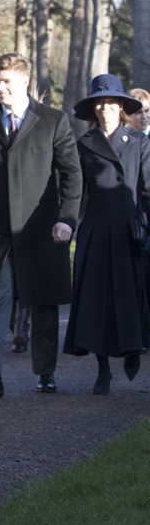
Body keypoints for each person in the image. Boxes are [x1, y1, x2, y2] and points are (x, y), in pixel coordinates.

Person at [0, 53, 82, 396]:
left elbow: (72, 174)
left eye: (6, 82)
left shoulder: (53, 121)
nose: (0, 88)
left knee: (44, 303)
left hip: (42, 227)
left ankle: (45, 373)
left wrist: (67, 219)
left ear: (24, 82)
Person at [63, 74, 150, 394]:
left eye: (111, 101)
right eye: (100, 102)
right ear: (93, 108)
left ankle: (131, 349)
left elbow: (148, 189)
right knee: (95, 299)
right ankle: (102, 368)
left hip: (130, 228)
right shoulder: (84, 144)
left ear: (121, 106)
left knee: (131, 295)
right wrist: (67, 221)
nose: (105, 107)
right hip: (97, 228)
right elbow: (74, 190)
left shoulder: (139, 141)